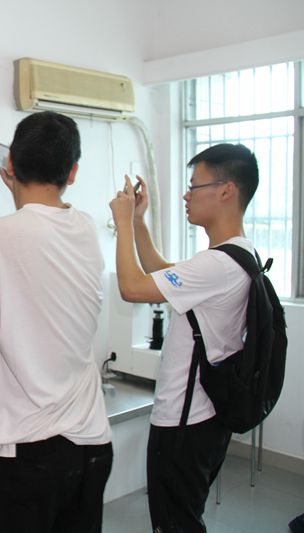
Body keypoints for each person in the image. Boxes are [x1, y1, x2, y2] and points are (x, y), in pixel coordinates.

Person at [0, 111, 113, 533]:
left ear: (10, 163)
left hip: (27, 452)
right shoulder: (86, 228)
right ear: (73, 172)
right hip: (89, 443)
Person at [108, 143, 259, 532]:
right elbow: (158, 270)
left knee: (174, 524)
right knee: (183, 518)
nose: (186, 196)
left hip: (184, 421)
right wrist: (138, 222)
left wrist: (121, 224)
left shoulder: (216, 264)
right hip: (207, 416)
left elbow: (132, 287)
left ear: (226, 191)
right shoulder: (237, 254)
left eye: (194, 186)